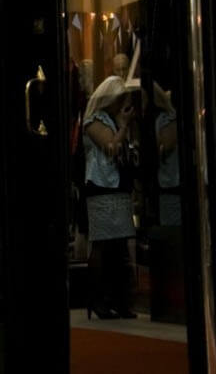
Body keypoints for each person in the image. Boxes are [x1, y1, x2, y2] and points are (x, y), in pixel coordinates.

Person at [82, 73, 143, 319]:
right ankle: (98, 298)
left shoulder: (114, 120)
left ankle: (120, 298)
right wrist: (124, 125)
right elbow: (111, 148)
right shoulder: (94, 121)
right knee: (103, 243)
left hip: (118, 186)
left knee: (119, 246)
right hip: (101, 186)